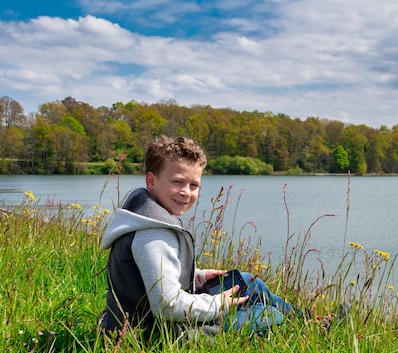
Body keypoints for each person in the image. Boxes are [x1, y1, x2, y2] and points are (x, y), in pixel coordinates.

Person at [98, 135, 299, 339]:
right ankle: (303, 323)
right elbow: (168, 306)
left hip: (153, 319)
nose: (186, 192)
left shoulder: (146, 217)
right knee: (269, 314)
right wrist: (218, 305)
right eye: (178, 182)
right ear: (151, 180)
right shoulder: (153, 235)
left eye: (193, 185)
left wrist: (197, 277)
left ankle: (308, 319)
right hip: (156, 333)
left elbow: (147, 278)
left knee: (248, 281)